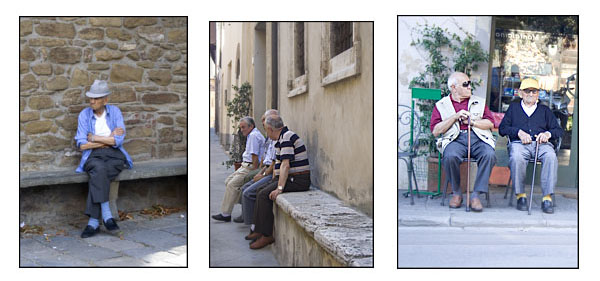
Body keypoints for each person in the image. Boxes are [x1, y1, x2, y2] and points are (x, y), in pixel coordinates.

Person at [74, 80, 133, 238]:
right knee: (99, 169)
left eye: (96, 98)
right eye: (90, 98)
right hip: (93, 156)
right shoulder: (84, 115)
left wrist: (94, 137)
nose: (92, 101)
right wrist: (107, 138)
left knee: (100, 174)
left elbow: (118, 141)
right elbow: (82, 145)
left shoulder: (115, 112)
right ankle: (106, 217)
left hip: (115, 155)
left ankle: (93, 221)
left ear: (105, 100)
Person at [430, 72, 496, 212]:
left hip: (478, 138)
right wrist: (455, 117)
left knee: (489, 154)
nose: (470, 87)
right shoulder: (441, 105)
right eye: (466, 84)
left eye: (469, 83)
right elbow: (436, 131)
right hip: (455, 139)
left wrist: (473, 122)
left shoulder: (479, 101)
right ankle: (457, 193)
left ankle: (476, 195)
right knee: (450, 156)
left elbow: (490, 123)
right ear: (453, 87)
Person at [499, 78, 563, 214]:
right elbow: (502, 128)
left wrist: (548, 134)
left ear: (538, 94)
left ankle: (547, 197)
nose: (530, 94)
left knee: (551, 156)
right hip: (519, 144)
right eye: (527, 91)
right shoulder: (514, 108)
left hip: (542, 145)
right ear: (521, 93)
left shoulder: (545, 110)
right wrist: (518, 132)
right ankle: (520, 195)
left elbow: (558, 131)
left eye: (534, 91)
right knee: (516, 157)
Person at [247, 115, 311, 249]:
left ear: (270, 128)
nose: (266, 132)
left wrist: (279, 188)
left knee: (264, 194)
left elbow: (285, 165)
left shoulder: (287, 137)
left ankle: (267, 235)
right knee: (260, 191)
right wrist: (273, 180)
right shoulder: (279, 139)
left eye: (265, 129)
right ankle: (258, 230)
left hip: (298, 180)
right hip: (290, 178)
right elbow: (278, 164)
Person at [212, 117, 264, 222]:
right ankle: (242, 209)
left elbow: (255, 156)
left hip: (249, 167)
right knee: (228, 182)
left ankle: (226, 214)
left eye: (243, 127)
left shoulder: (254, 136)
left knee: (232, 185)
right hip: (244, 165)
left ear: (251, 126)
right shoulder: (252, 134)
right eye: (240, 128)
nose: (242, 130)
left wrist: (254, 171)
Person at [238, 110, 279, 237]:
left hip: (272, 173)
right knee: (246, 186)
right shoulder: (270, 137)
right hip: (266, 170)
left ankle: (254, 227)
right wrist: (261, 171)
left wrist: (263, 174)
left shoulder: (278, 138)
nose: (262, 124)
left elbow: (274, 163)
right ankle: (248, 217)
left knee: (251, 191)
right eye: (262, 121)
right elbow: (266, 159)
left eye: (265, 121)